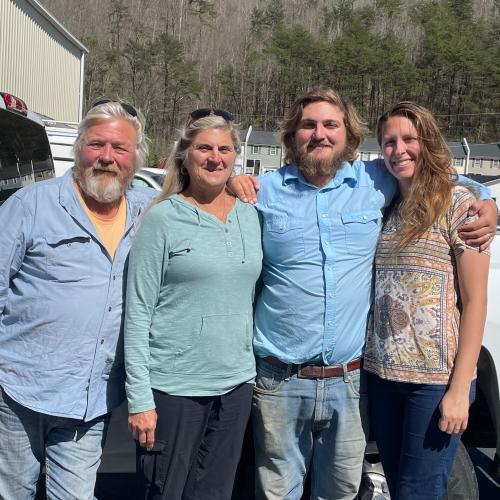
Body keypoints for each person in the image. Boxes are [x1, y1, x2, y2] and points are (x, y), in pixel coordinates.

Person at [227, 87, 497, 500]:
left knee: (342, 492)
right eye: (309, 125)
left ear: (348, 136)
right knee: (276, 492)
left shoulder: (373, 182)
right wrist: (232, 179)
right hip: (282, 378)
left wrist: (486, 197)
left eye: (330, 125)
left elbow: (436, 174)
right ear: (292, 135)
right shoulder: (263, 190)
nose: (319, 134)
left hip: (351, 380)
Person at [0, 100, 153, 499]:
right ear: (79, 148)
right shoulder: (31, 205)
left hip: (90, 401)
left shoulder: (148, 213)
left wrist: (239, 185)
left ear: (135, 158)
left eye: (119, 149)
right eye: (96, 145)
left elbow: (202, 194)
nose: (106, 158)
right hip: (17, 392)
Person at [124, 109, 263, 500]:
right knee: (166, 491)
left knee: (216, 493)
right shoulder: (163, 219)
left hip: (235, 386)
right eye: (204, 148)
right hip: (174, 388)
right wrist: (140, 400)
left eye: (223, 149)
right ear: (185, 154)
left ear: (235, 155)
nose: (214, 158)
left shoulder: (250, 216)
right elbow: (137, 312)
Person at [363, 102, 490, 499]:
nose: (398, 149)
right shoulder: (384, 208)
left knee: (420, 491)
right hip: (382, 378)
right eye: (389, 141)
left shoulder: (460, 205)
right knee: (400, 484)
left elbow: (476, 302)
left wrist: (458, 390)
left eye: (408, 139)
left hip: (433, 385)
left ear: (428, 142)